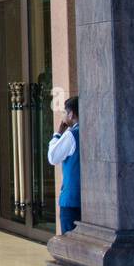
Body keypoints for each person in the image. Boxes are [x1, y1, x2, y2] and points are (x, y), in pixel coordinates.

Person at [47, 96, 81, 233]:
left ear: (71, 113)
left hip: (71, 199)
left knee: (69, 244)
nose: (63, 116)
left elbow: (53, 157)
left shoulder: (71, 135)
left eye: (64, 112)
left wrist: (58, 133)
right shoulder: (91, 131)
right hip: (89, 200)